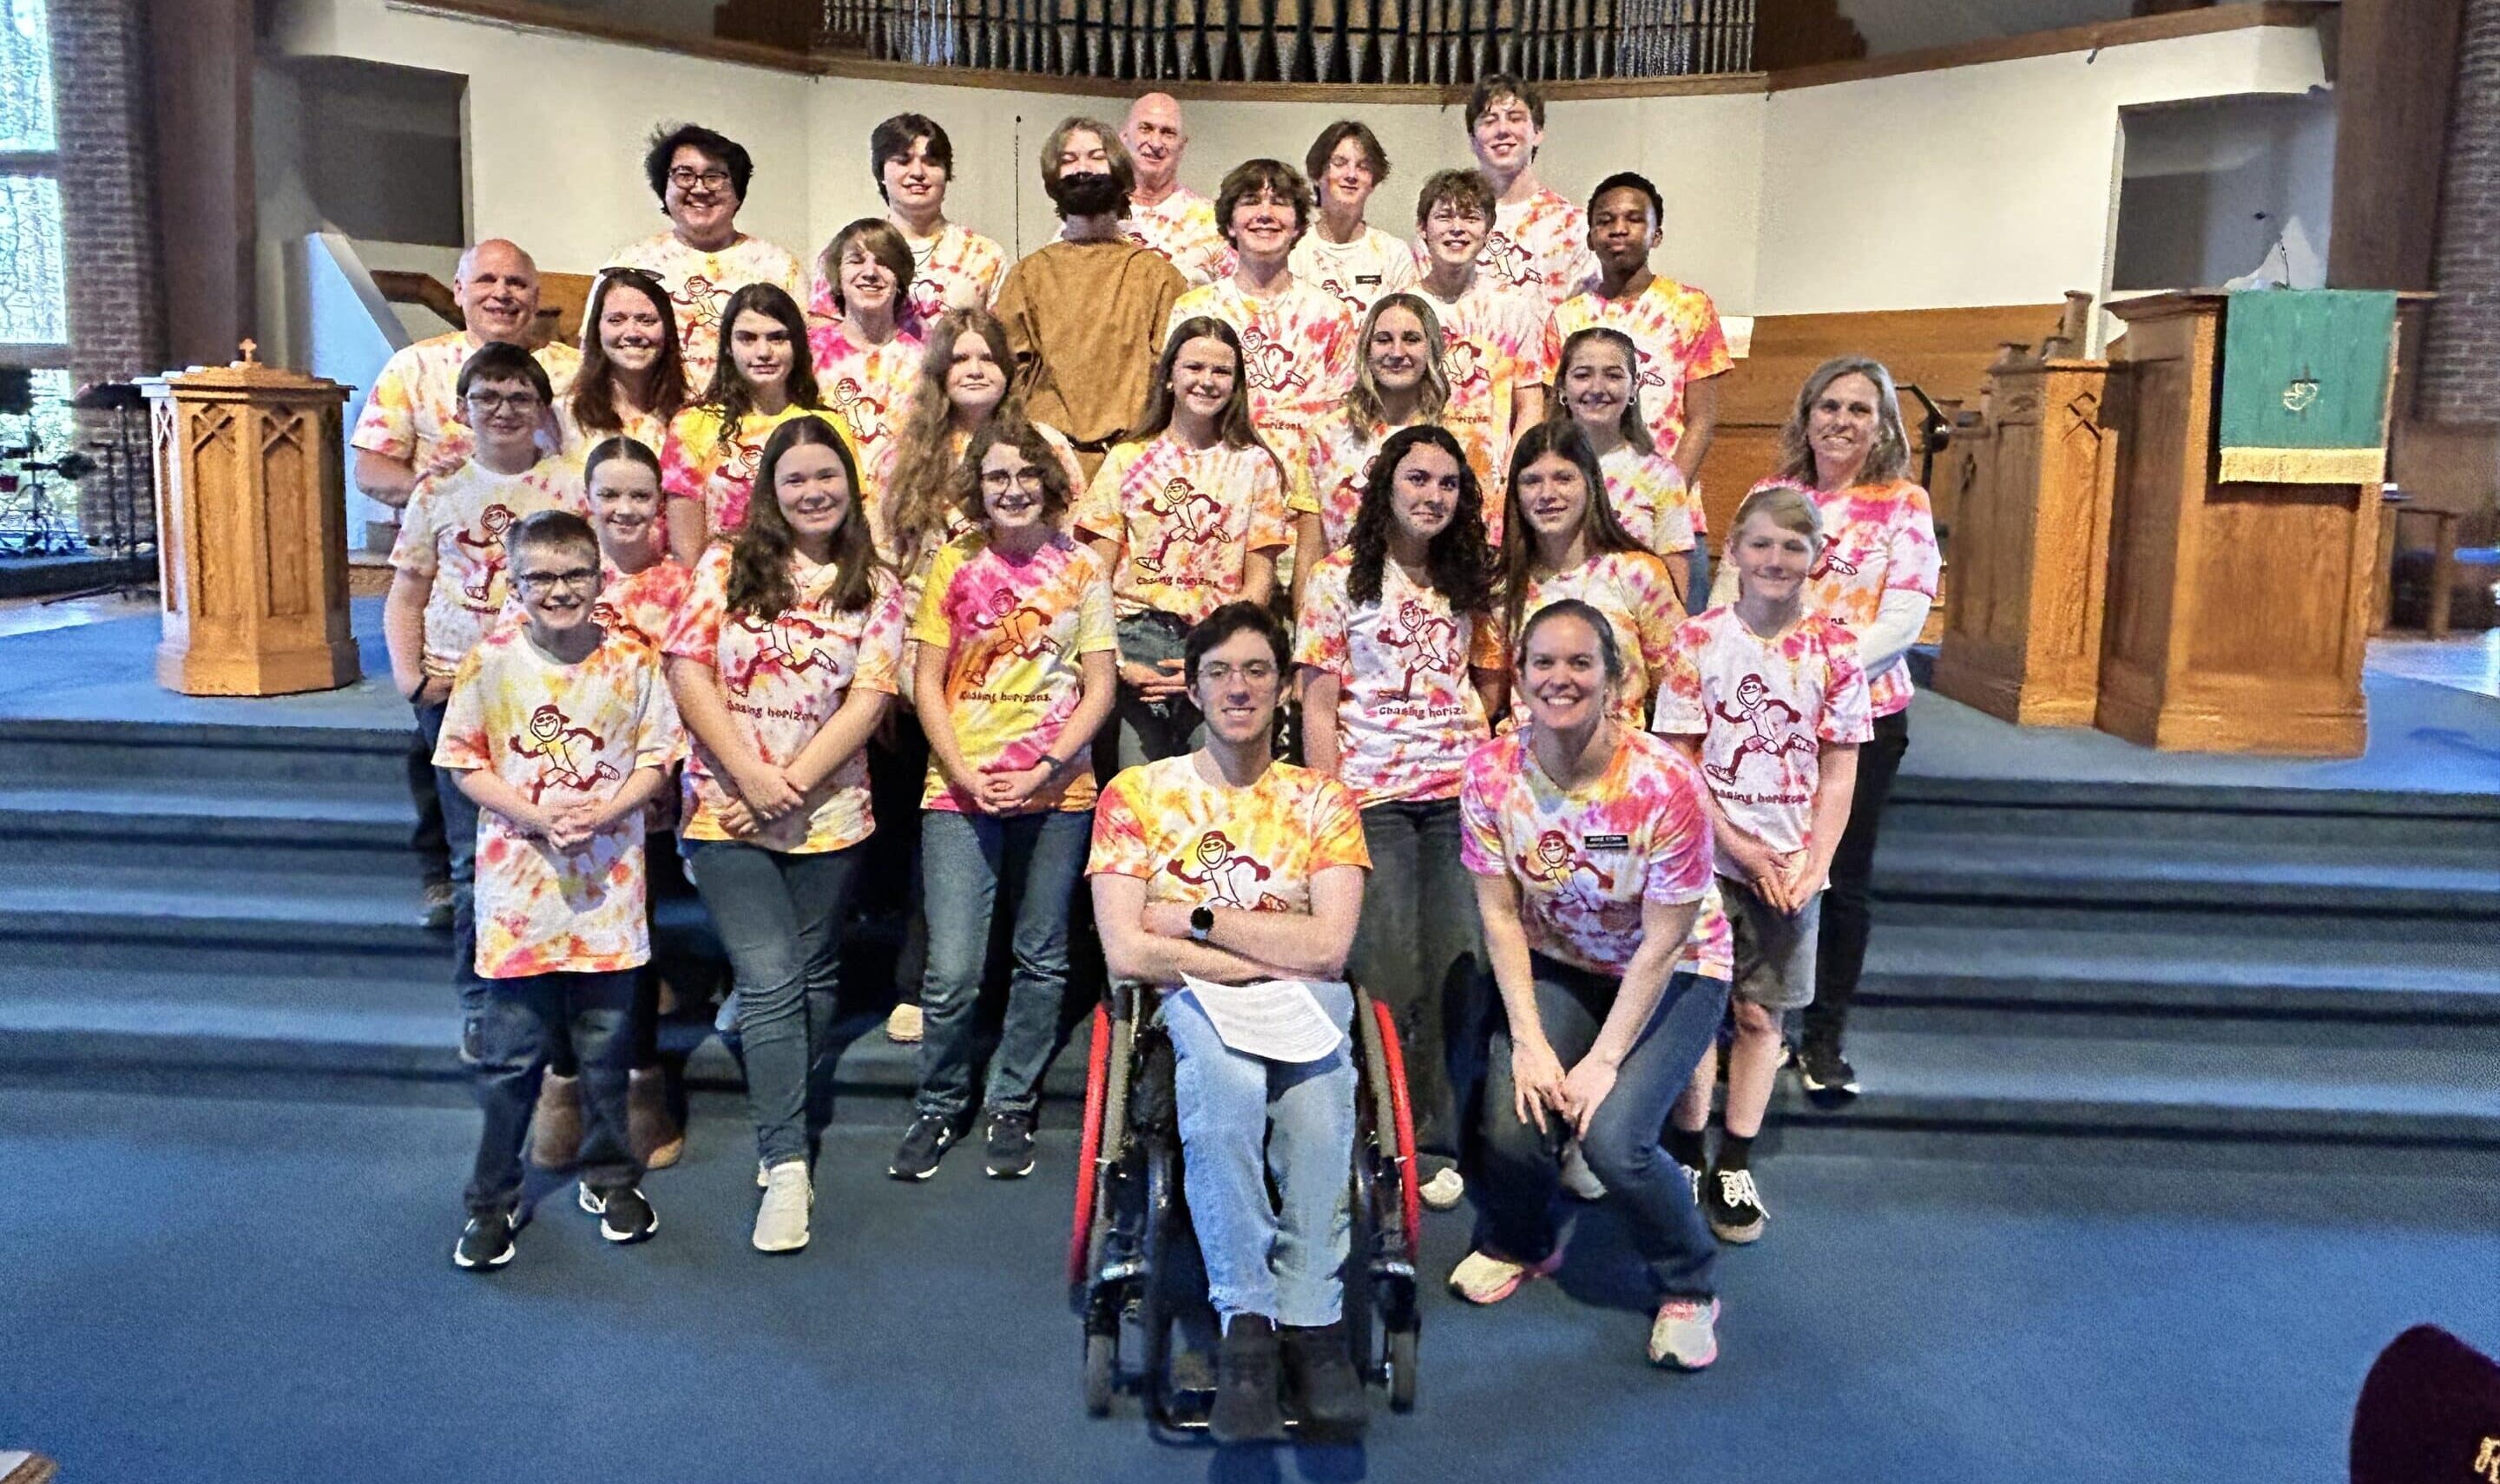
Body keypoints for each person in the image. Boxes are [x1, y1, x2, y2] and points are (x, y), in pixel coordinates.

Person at [1089, 601, 1372, 1444]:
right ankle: (1247, 1322)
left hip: (1302, 999)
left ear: (1284, 688)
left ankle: (1314, 1323)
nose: (1238, 687)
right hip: (1191, 1002)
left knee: (1323, 1109)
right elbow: (1127, 952)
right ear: (1197, 688)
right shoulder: (1137, 794)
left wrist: (1201, 922)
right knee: (1221, 1089)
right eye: (1220, 672)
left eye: (1256, 670)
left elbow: (1331, 948)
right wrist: (1267, 955)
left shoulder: (1322, 801)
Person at [1448, 598, 1727, 1370]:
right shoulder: (1490, 774)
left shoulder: (1665, 783)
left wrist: (1601, 1061)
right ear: (1521, 677)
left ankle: (1690, 1283)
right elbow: (1500, 919)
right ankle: (1522, 1241)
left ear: (1614, 681)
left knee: (1614, 1139)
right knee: (1514, 1113)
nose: (1559, 678)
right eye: (1543, 663)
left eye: (1580, 663)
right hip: (1561, 958)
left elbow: (1665, 941)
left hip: (1677, 968)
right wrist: (1533, 1043)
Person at [661, 416, 905, 1252]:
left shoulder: (877, 582)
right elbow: (687, 668)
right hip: (725, 810)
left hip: (828, 814)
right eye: (795, 478)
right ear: (770, 489)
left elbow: (869, 702)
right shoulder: (724, 565)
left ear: (850, 485)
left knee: (813, 972)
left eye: (826, 476)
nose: (813, 492)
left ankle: (781, 1091)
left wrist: (790, 785)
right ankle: (787, 1162)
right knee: (769, 978)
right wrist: (752, 781)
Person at [438, 509, 681, 1270]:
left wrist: (607, 811)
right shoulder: (492, 660)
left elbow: (656, 757)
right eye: (540, 576)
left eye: (575, 574)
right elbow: (463, 761)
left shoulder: (633, 662)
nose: (560, 589)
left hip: (607, 887)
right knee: (512, 1059)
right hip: (520, 893)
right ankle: (493, 1196)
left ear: (600, 576)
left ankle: (608, 1177)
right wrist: (536, 816)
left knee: (606, 1052)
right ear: (514, 584)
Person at [891, 422, 1119, 1182]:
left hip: (1059, 792)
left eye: (1026, 474)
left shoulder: (1082, 568)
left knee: (1042, 956)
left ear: (1050, 482)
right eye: (996, 477)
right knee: (953, 969)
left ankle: (1011, 1100)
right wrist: (959, 768)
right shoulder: (951, 564)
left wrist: (1046, 767)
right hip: (959, 789)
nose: (1013, 489)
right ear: (976, 488)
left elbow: (1100, 686)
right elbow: (925, 680)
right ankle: (938, 1100)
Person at [1656, 485, 1867, 1244]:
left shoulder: (1836, 650)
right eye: (1761, 545)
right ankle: (1684, 1144)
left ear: (1814, 558)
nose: (1776, 560)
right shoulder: (1698, 641)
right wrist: (1738, 849)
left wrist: (1814, 864)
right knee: (1696, 1007)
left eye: (1793, 547)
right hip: (1708, 859)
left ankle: (1734, 1157)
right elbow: (1679, 764)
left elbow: (1840, 772)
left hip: (1792, 861)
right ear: (1735, 553)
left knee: (1759, 1012)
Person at [1293, 425, 1496, 1214]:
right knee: (1385, 967)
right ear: (1386, 486)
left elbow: (1484, 687)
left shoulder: (1465, 581)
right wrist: (1327, 808)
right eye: (1418, 479)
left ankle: (1440, 1137)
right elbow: (1317, 704)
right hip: (1371, 796)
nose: (1432, 496)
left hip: (1454, 797)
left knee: (1457, 964)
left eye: (1447, 484)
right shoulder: (1336, 580)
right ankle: (1380, 1125)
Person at [1727, 357, 1938, 1106]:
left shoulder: (1901, 504)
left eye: (1859, 409)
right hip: (1765, 719)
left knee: (1839, 878)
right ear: (1805, 415)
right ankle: (1757, 1024)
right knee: (1757, 870)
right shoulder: (1771, 497)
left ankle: (1822, 1039)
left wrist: (1819, 672)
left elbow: (1906, 616)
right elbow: (1734, 592)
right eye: (1828, 406)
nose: (1841, 421)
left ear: (1881, 424)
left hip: (1863, 717)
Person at [385, 344, 589, 1060]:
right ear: (464, 409)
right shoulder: (439, 492)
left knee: (553, 846)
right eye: (488, 397)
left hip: (549, 693)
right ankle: (484, 1004)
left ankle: (563, 989)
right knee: (476, 862)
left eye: (519, 397)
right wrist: (410, 678)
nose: (504, 410)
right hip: (456, 693)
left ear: (541, 409)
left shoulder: (570, 486)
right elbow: (407, 590)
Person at [523, 437, 696, 1176]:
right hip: (550, 804)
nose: (624, 509)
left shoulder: (682, 587)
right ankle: (561, 1080)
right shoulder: (557, 581)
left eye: (639, 496)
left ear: (660, 505)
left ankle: (640, 1081)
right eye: (610, 495)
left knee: (636, 946)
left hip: (640, 805)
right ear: (585, 501)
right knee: (553, 943)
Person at [1074, 318, 1291, 767]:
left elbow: (1260, 583)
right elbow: (1092, 578)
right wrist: (1116, 664)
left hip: (1216, 643)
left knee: (1219, 792)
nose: (1207, 382)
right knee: (1145, 798)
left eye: (1221, 372)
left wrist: (1216, 660)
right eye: (1194, 367)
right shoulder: (1127, 460)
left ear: (1237, 385)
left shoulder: (1255, 466)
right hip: (1137, 647)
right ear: (1170, 375)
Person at [992, 116, 1188, 480]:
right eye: (1068, 160)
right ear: (1054, 179)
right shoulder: (1028, 277)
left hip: (1135, 465)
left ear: (1118, 168)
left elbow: (1173, 382)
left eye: (1095, 157)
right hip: (1049, 465)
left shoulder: (1157, 277)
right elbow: (1007, 378)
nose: (1082, 169)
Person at [1165, 159, 1359, 485]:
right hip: (1216, 489)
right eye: (1251, 202)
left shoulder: (1330, 314)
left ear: (1298, 225)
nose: (1265, 214)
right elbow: (1175, 413)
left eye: (1279, 203)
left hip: (1304, 493)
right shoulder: (1194, 310)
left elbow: (1341, 422)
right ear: (1229, 223)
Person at [352, 239, 581, 513]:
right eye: (486, 280)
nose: (502, 293)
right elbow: (371, 470)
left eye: (516, 283)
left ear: (536, 297)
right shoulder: (415, 365)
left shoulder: (577, 370)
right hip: (444, 543)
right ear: (459, 291)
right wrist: (449, 500)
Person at [1543, 172, 1729, 492]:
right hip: (1588, 502)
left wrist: (1669, 495)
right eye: (1606, 220)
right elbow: (1554, 418)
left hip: (1664, 499)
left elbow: (1702, 419)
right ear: (1590, 237)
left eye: (1634, 219)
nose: (1619, 229)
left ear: (1656, 234)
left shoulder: (1690, 307)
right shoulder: (1566, 317)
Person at [1486, 422, 1679, 729]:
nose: (1547, 493)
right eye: (1532, 481)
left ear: (1590, 484)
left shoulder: (1638, 574)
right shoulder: (1501, 587)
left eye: (1564, 478)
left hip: (1621, 761)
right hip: (1529, 762)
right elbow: (1489, 702)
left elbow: (1678, 691)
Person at [610, 123, 809, 394]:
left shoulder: (778, 267)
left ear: (738, 191)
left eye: (715, 176)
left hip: (753, 424)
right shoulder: (630, 264)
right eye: (684, 175)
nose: (700, 188)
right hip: (652, 421)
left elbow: (806, 357)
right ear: (663, 187)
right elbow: (595, 354)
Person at [1411, 167, 1550, 534]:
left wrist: (1511, 477)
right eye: (1444, 216)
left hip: (1491, 488)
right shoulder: (1401, 306)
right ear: (1422, 228)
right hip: (1417, 486)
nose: (1457, 228)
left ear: (1488, 232)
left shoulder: (1514, 307)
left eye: (1471, 217)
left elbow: (1530, 404)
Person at [1290, 292, 1453, 597]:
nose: (1397, 351)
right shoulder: (1327, 436)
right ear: (1366, 349)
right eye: (1383, 339)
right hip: (1340, 607)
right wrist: (1304, 629)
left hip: (1427, 610)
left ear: (1432, 349)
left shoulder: (1454, 437)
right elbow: (1309, 553)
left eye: (1412, 339)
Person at [659, 282, 832, 563]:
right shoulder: (691, 424)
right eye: (747, 338)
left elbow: (841, 535)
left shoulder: (826, 425)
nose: (763, 351)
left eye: (777, 338)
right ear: (728, 347)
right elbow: (687, 554)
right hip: (721, 588)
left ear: (797, 346)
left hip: (807, 589)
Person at [1553, 325, 1703, 606]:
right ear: (1562, 386)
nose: (1597, 388)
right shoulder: (1537, 470)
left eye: (1613, 375)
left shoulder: (1661, 477)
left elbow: (1673, 596)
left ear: (1634, 387)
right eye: (1583, 375)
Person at [812, 113, 1003, 326]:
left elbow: (997, 344)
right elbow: (823, 340)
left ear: (946, 173)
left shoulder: (984, 256)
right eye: (903, 161)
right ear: (881, 173)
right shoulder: (846, 251)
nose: (918, 173)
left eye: (931, 162)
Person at [806, 218, 925, 496]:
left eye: (884, 262)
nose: (870, 272)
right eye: (856, 260)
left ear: (900, 278)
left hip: (903, 510)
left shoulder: (926, 360)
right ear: (837, 276)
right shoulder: (807, 354)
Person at [1457, 75, 1595, 306]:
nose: (1503, 130)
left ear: (1538, 132)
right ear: (1472, 139)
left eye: (1515, 118)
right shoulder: (1450, 222)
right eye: (1489, 120)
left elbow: (1588, 317)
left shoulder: (1574, 226)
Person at [1289, 121, 1421, 316]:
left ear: (1373, 182)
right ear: (1318, 174)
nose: (1351, 175)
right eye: (1340, 163)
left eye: (1363, 166)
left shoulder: (1393, 254)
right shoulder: (1293, 250)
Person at [560, 267, 689, 456]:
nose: (633, 333)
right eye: (616, 320)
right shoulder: (563, 416)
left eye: (646, 320)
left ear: (668, 330)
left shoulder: (692, 419)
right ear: (597, 330)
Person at [1115, 92, 1234, 286]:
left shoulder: (1213, 221)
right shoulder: (1095, 217)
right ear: (1124, 137)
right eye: (1146, 128)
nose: (1155, 143)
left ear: (1182, 145)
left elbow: (1234, 299)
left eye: (1168, 133)